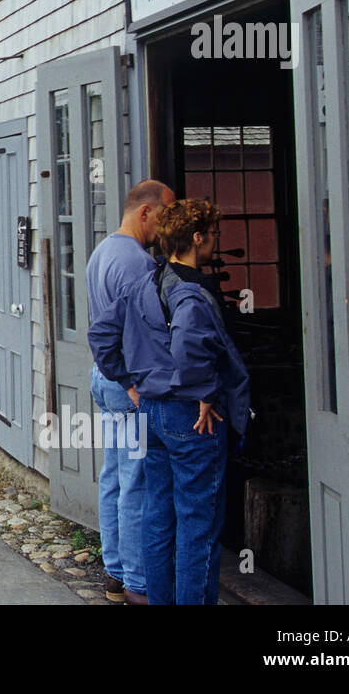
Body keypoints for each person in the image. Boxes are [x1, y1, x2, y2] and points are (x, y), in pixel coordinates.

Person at [88, 198, 251, 605]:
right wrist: (204, 393)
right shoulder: (190, 291)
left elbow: (101, 337)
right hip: (190, 416)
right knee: (198, 524)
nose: (215, 242)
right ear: (197, 239)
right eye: (212, 235)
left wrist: (129, 380)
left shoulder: (144, 281)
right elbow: (189, 341)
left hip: (152, 412)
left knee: (159, 516)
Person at [83, 179, 174, 605]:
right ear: (145, 212)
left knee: (114, 478)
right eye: (165, 214)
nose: (168, 224)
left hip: (104, 377)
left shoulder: (102, 251)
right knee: (136, 482)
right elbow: (141, 334)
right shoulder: (138, 262)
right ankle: (139, 584)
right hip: (128, 383)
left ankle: (115, 573)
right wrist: (137, 383)